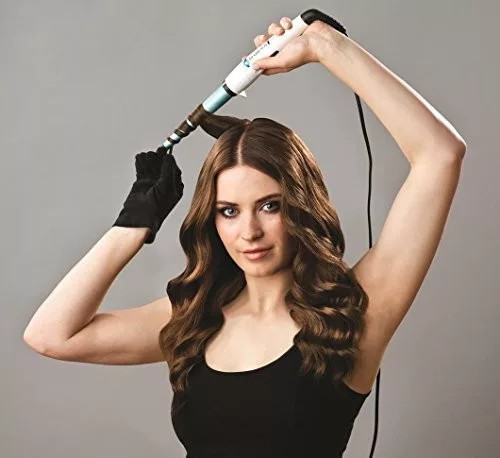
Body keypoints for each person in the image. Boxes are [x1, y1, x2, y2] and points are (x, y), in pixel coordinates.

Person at [23, 15, 467, 458]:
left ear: (301, 207)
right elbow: (51, 335)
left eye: (270, 206)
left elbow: (440, 154)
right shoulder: (194, 316)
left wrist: (325, 47)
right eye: (229, 211)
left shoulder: (353, 312)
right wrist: (134, 225)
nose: (249, 232)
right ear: (211, 219)